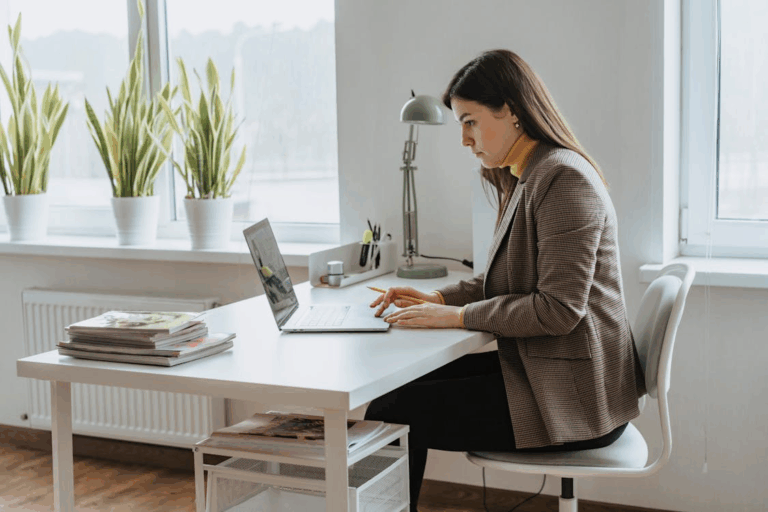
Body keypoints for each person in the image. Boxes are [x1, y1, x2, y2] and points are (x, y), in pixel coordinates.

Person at [366, 49, 647, 512]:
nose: (463, 139)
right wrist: (436, 296)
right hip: (550, 371)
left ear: (512, 112)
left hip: (577, 397)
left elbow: (557, 309)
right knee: (395, 394)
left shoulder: (563, 179)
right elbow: (505, 280)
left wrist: (457, 317)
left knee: (394, 412)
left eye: (470, 121)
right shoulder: (526, 176)